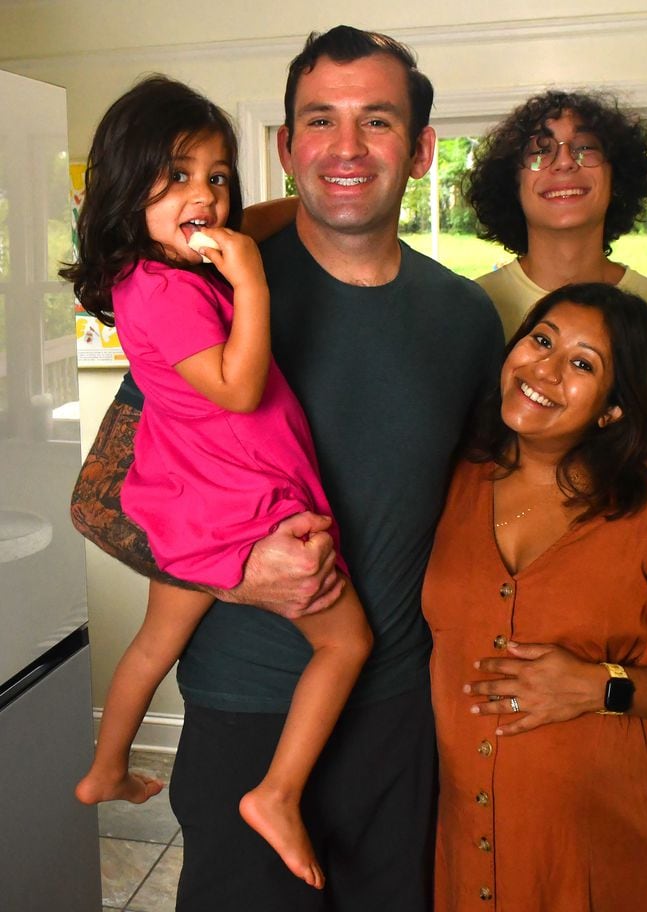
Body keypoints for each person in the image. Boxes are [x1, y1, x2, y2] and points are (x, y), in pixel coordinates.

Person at [69, 27, 504, 912]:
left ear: (419, 150)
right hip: (243, 712)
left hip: (398, 714)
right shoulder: (216, 288)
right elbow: (97, 500)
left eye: (376, 121)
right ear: (285, 146)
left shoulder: (467, 319)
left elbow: (482, 506)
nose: (346, 148)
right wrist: (237, 578)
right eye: (320, 120)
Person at [60, 75, 374, 891]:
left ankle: (106, 769)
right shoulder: (168, 292)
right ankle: (277, 793)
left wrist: (255, 226)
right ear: (129, 188)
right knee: (347, 643)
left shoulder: (151, 272)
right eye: (177, 175)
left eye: (218, 175)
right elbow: (240, 388)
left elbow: (245, 222)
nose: (204, 195)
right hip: (244, 504)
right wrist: (255, 282)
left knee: (151, 648)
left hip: (195, 503)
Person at [464, 90, 647, 886]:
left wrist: (627, 681)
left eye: (585, 147)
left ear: (618, 174)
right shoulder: (468, 312)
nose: (562, 164)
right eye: (540, 149)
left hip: (628, 635)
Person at [423, 282, 647, 912]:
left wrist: (601, 685)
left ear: (614, 409)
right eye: (541, 339)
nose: (544, 369)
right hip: (475, 842)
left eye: (583, 364)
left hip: (622, 848)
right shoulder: (451, 482)